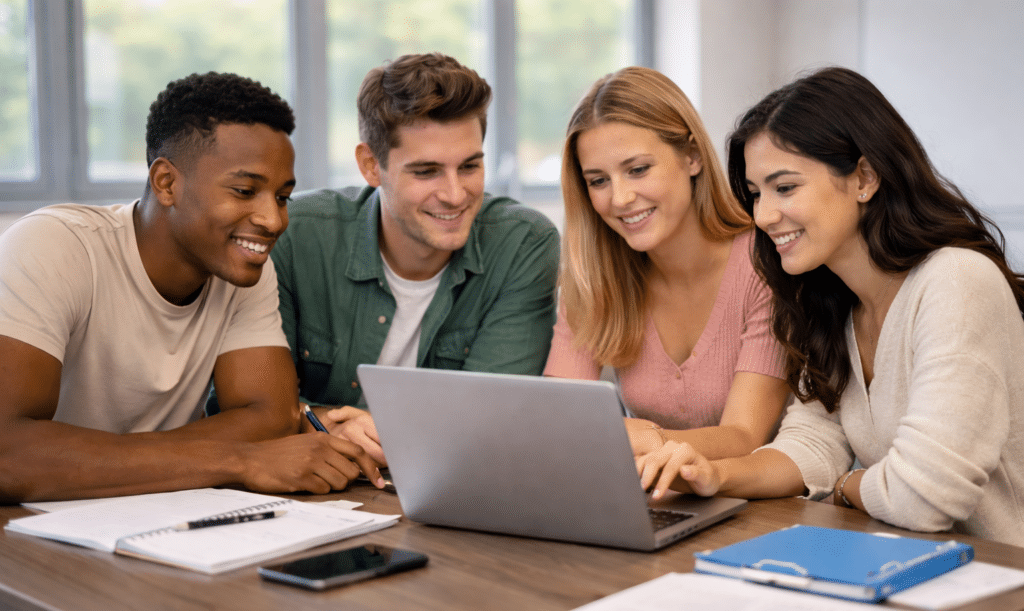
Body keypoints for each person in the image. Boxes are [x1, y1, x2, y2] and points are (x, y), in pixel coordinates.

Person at [638, 67, 1024, 550]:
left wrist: (846, 486)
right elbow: (812, 444)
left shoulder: (956, 282)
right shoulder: (832, 305)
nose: (762, 216)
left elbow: (923, 497)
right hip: (918, 568)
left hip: (1005, 590)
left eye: (785, 188)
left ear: (864, 177)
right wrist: (715, 474)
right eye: (756, 194)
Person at [0, 71, 385, 505]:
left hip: (159, 515)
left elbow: (269, 417)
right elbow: (9, 453)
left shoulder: (241, 267)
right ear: (167, 183)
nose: (274, 221)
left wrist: (102, 462)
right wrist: (238, 461)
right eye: (244, 191)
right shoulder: (53, 247)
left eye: (282, 197)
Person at [272, 53, 560, 464]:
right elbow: (243, 406)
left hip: (454, 489)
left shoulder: (523, 244)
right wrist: (318, 420)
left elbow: (492, 419)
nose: (455, 194)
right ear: (371, 165)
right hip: (314, 491)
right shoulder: (295, 235)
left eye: (470, 166)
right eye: (426, 172)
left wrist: (358, 430)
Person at [544, 66, 789, 461]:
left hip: (761, 508)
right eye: (598, 181)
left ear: (691, 156)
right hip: (654, 502)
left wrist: (642, 438)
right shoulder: (594, 277)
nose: (620, 198)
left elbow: (744, 438)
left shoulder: (765, 264)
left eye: (637, 169)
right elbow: (557, 420)